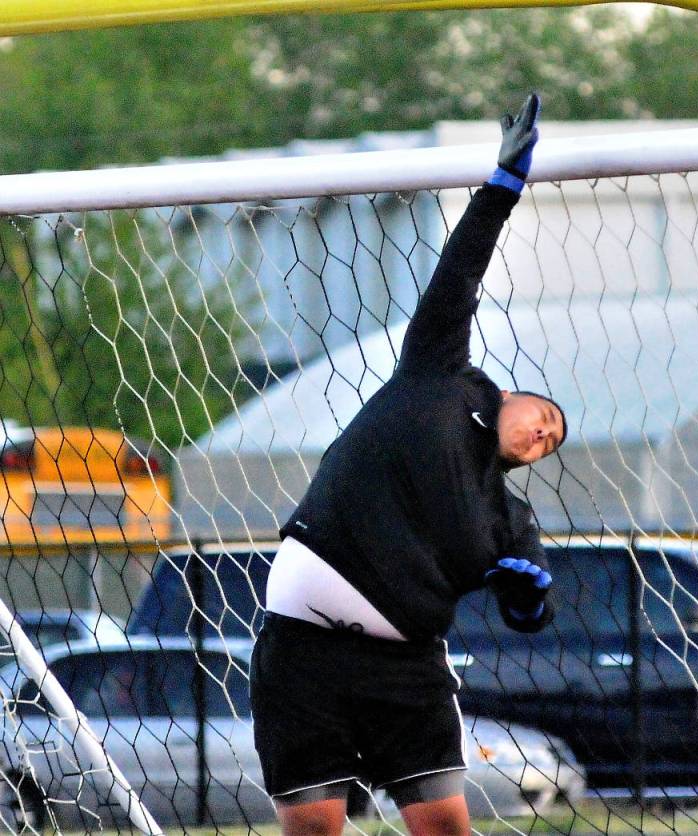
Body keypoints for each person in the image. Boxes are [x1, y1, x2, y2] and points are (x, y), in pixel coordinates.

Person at [250, 93, 567, 836]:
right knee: (315, 830)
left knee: (447, 831)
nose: (544, 435)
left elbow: (535, 607)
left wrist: (526, 601)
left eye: (553, 442)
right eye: (544, 418)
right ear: (512, 394)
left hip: (407, 670)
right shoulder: (438, 374)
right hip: (303, 651)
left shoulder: (506, 516)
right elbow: (460, 272)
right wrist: (502, 187)